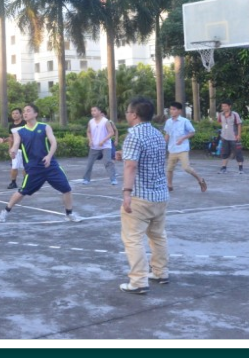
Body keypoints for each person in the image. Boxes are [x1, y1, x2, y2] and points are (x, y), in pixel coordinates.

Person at [0, 104, 83, 223]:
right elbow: (16, 145)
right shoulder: (19, 132)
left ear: (35, 114)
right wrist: (13, 151)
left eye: (28, 111)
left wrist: (49, 156)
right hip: (33, 168)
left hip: (51, 166)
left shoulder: (45, 127)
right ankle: (5, 211)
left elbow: (53, 143)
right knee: (22, 191)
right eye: (24, 111)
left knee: (67, 189)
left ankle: (70, 214)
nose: (25, 113)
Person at [118, 96, 169, 294]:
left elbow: (131, 166)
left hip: (140, 196)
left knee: (133, 239)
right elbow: (148, 159)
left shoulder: (134, 135)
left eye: (128, 112)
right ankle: (160, 272)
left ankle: (138, 281)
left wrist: (126, 193)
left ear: (134, 115)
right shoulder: (157, 134)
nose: (127, 115)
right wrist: (124, 155)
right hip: (160, 194)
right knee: (158, 236)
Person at [163, 102, 206, 193]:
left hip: (183, 149)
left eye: (174, 109)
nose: (172, 111)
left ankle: (200, 180)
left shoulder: (184, 121)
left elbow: (192, 132)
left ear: (179, 111)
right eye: (171, 109)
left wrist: (183, 138)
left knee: (186, 168)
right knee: (169, 169)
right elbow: (167, 134)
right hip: (172, 149)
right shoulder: (168, 122)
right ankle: (169, 186)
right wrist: (162, 144)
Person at [82, 105, 117, 185]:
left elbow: (111, 132)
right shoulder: (91, 122)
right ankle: (86, 179)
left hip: (105, 146)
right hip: (94, 147)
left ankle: (113, 179)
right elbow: (88, 131)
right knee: (89, 163)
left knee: (108, 162)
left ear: (99, 111)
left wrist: (103, 140)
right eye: (92, 111)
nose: (93, 112)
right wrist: (90, 140)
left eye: (94, 110)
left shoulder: (105, 121)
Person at [216, 100, 243, 174]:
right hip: (224, 137)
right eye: (222, 106)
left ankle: (240, 168)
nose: (224, 108)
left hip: (234, 137)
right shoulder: (220, 114)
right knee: (224, 153)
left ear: (229, 106)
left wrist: (239, 135)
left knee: (238, 152)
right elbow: (220, 122)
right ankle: (223, 167)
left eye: (225, 106)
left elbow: (239, 124)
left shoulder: (235, 114)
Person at [7, 107, 26, 189]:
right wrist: (10, 149)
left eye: (16, 113)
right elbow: (11, 138)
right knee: (14, 167)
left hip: (26, 149)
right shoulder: (11, 126)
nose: (14, 115)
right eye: (13, 113)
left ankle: (25, 183)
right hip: (16, 150)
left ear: (21, 114)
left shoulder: (25, 123)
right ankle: (13, 182)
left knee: (25, 167)